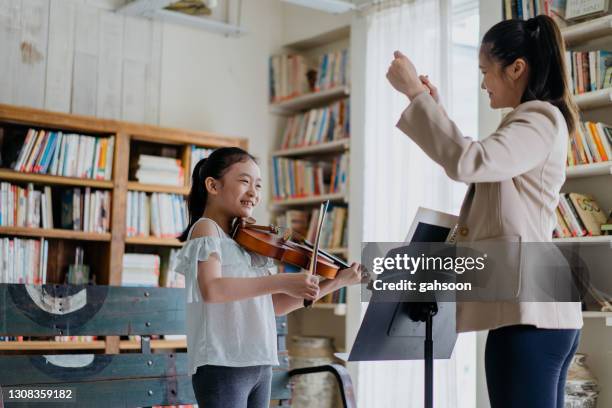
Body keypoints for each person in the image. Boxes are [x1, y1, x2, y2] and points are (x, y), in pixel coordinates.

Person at [386, 15, 582, 408]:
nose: (482, 83)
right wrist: (433, 108)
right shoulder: (531, 122)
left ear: (517, 69)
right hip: (538, 312)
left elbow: (469, 162)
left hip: (530, 314)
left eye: (485, 71)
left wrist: (417, 98)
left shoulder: (538, 118)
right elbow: (480, 159)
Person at [174, 146, 361, 408]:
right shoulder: (207, 230)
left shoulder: (248, 243)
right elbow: (212, 290)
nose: (253, 192)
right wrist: (283, 281)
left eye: (258, 185)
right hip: (223, 363)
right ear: (213, 186)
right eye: (244, 181)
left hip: (259, 363)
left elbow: (275, 305)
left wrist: (337, 282)